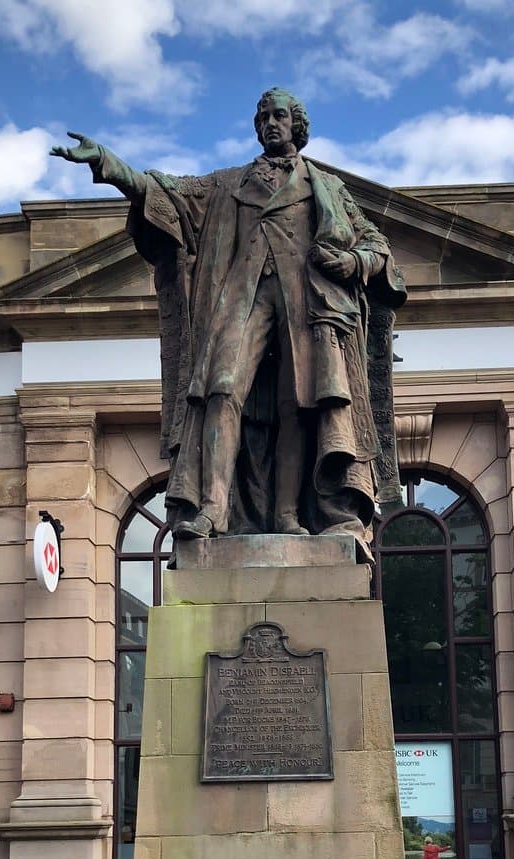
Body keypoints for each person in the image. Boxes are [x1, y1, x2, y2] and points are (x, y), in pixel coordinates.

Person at [51, 88, 405, 559]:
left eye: (279, 115)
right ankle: (214, 508)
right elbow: (166, 194)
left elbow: (377, 247)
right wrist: (110, 165)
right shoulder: (225, 184)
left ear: (296, 124)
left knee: (299, 404)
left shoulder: (328, 188)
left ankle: (287, 514)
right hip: (243, 297)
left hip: (307, 307)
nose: (270, 123)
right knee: (220, 389)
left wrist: (353, 263)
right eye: (262, 117)